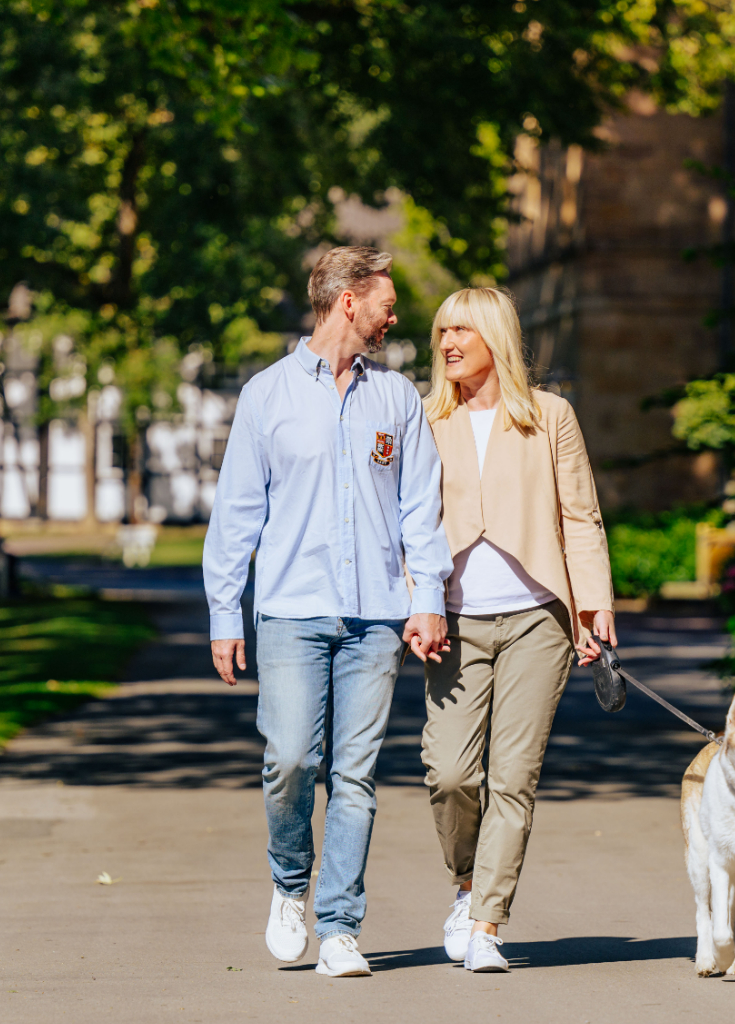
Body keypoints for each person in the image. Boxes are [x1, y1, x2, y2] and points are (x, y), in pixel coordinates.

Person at [204, 246, 453, 978]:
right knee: (289, 761)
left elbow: (421, 512)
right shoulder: (267, 396)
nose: (394, 313)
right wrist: (226, 612)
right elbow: (237, 513)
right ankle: (290, 885)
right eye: (386, 300)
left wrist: (427, 598)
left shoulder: (397, 398)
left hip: (377, 616)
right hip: (290, 611)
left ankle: (341, 925)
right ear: (349, 301)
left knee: (355, 775)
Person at [420, 287, 615, 973]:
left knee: (513, 776)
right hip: (453, 621)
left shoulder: (550, 417)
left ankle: (487, 924)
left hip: (539, 620)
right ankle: (467, 883)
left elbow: (581, 516)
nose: (446, 342)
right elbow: (409, 525)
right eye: (441, 329)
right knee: (449, 773)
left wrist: (593, 605)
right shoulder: (426, 419)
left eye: (461, 331)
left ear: (495, 337)